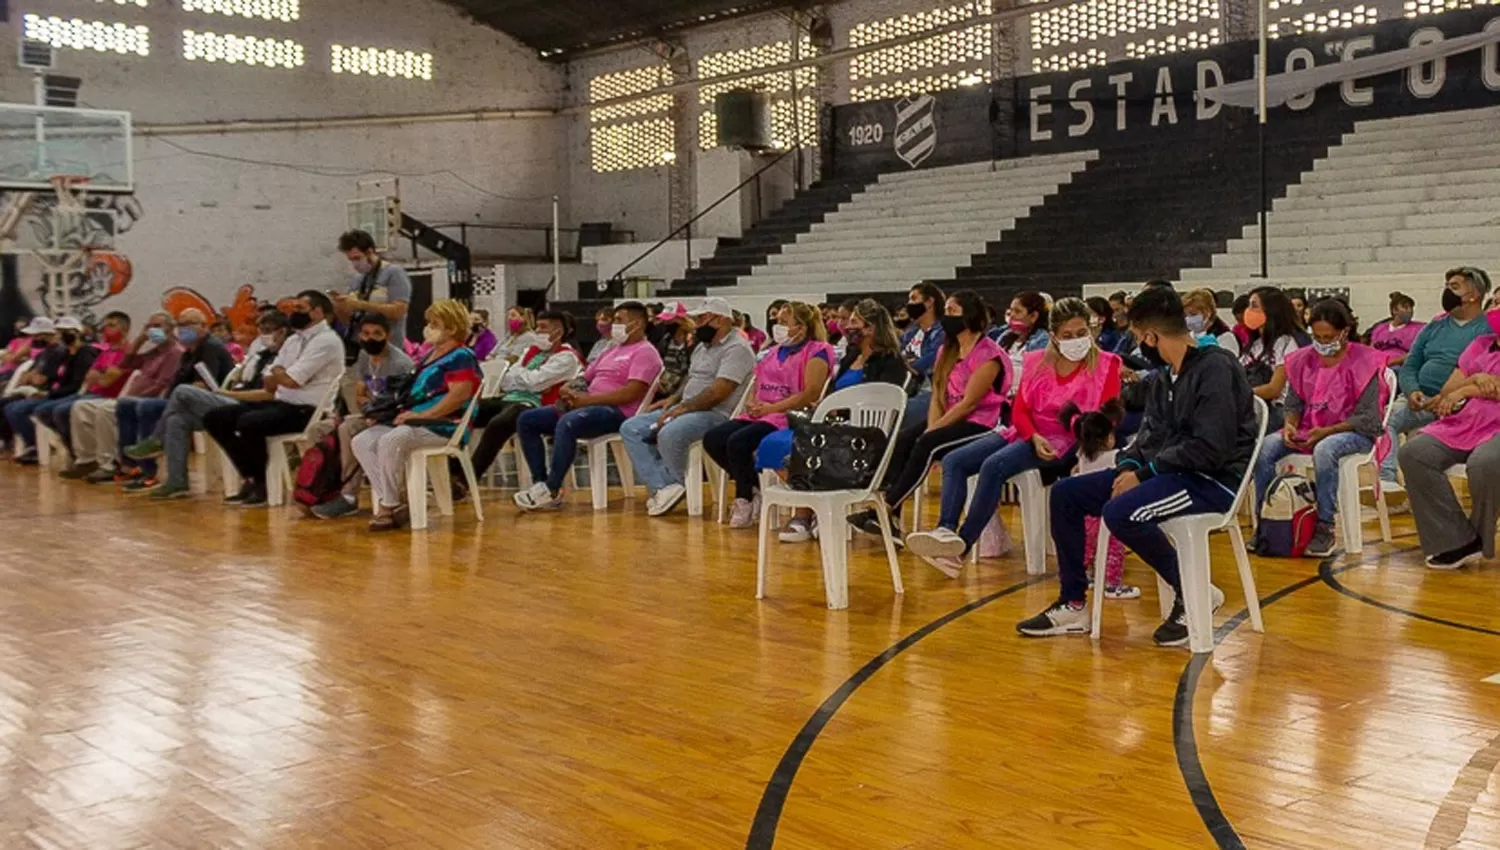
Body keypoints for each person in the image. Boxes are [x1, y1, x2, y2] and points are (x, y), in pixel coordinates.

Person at [1017, 286, 1258, 647]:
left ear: (1150, 336)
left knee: (1121, 512)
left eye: (1136, 337)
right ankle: (1074, 603)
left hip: (1213, 480)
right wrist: (1130, 466)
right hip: (1172, 472)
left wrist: (1144, 475)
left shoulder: (1216, 368)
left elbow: (1211, 448)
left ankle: (1195, 592)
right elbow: (1148, 437)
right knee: (1066, 495)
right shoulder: (1165, 376)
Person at [906, 298, 1120, 574]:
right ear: (1053, 336)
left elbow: (1106, 420)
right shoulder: (1036, 363)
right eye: (1067, 336)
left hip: (1068, 442)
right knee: (955, 461)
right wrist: (1032, 435)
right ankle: (946, 531)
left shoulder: (1106, 365)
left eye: (1081, 334)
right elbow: (1020, 410)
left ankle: (962, 546)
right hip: (1026, 433)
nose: (1076, 341)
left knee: (994, 466)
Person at [847, 290, 1009, 541]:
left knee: (927, 442)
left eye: (953, 312)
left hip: (981, 423)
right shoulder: (949, 349)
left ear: (970, 316)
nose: (947, 317)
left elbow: (968, 404)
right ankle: (892, 520)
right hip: (949, 416)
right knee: (902, 440)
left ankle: (885, 508)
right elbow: (938, 393)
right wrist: (934, 425)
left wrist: (934, 431)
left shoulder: (989, 355)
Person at [767, 299, 915, 543]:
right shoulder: (850, 356)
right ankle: (815, 513)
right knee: (779, 447)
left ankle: (806, 515)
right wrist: (826, 406)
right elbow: (834, 393)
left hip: (866, 436)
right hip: (836, 427)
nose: (846, 326)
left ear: (870, 328)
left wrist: (840, 412)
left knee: (801, 454)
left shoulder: (891, 363)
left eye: (854, 322)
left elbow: (881, 403)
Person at [1250, 299, 1388, 557]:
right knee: (1266, 447)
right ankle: (1267, 521)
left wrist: (1327, 431)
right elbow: (1293, 402)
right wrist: (1290, 424)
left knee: (1325, 449)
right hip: (1308, 428)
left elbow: (1369, 417)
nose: (1323, 343)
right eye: (1317, 337)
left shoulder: (1366, 361)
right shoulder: (1302, 360)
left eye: (1329, 337)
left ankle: (1325, 525)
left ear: (1345, 331)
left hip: (1353, 433)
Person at [121, 311, 293, 498]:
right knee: (176, 420)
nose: (184, 328)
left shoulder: (212, 347)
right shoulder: (258, 355)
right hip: (231, 400)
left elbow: (209, 385)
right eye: (181, 324)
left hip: (238, 402)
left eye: (189, 324)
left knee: (182, 392)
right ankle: (176, 482)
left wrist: (230, 393)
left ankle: (156, 441)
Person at [514, 301, 663, 511]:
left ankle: (552, 488)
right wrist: (569, 388)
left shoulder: (645, 352)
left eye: (619, 320)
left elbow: (632, 392)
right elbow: (586, 376)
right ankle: (541, 483)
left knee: (569, 422)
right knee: (527, 419)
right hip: (588, 405)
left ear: (637, 324)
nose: (614, 325)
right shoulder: (612, 349)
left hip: (619, 412)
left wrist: (587, 401)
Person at [347, 300, 480, 531]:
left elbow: (458, 396)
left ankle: (387, 506)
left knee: (392, 440)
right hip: (412, 420)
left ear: (451, 327)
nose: (428, 327)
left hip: (443, 423)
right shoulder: (429, 354)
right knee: (362, 441)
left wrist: (423, 415)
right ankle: (392, 498)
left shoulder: (461, 356)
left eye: (435, 323)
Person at [202, 291, 344, 507]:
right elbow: (270, 379)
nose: (294, 313)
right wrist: (280, 374)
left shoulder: (327, 341)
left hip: (308, 409)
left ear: (317, 312)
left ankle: (262, 484)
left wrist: (280, 374)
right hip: (281, 402)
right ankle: (250, 475)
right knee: (216, 417)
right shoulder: (294, 339)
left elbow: (293, 381)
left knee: (250, 423)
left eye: (300, 309)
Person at [620, 297, 757, 517]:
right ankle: (665, 486)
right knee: (631, 427)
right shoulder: (702, 347)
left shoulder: (737, 348)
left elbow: (718, 391)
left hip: (717, 414)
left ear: (720, 320)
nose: (697, 324)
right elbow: (689, 380)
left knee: (671, 432)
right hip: (689, 407)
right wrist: (672, 401)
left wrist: (681, 410)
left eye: (702, 318)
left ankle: (673, 483)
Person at [702, 301, 834, 528]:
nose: (777, 326)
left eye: (784, 322)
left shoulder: (818, 351)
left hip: (789, 414)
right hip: (761, 412)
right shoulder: (771, 353)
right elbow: (757, 383)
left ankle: (744, 497)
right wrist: (753, 403)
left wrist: (772, 408)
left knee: (738, 442)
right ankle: (753, 486)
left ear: (801, 327)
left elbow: (810, 392)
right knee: (713, 439)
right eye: (777, 321)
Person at [1398, 306, 1500, 568]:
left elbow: (1486, 390)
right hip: (1465, 423)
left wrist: (1468, 388)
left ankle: (1477, 537)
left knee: (1485, 463)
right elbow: (1447, 391)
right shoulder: (1480, 345)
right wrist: (1477, 379)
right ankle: (1455, 540)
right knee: (1413, 453)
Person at [445, 310, 582, 496]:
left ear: (559, 332)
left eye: (543, 328)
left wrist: (521, 377)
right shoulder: (530, 351)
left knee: (498, 424)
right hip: (509, 398)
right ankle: (454, 470)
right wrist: (523, 377)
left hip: (537, 405)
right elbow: (506, 378)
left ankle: (466, 481)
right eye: (537, 327)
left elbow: (535, 383)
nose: (537, 332)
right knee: (458, 411)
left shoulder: (567, 357)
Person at [1381, 268, 1493, 488]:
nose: (1446, 292)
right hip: (1421, 400)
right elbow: (1411, 364)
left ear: (1473, 295)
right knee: (1386, 421)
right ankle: (1387, 481)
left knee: (1419, 448)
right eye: (1446, 286)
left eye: (1454, 287)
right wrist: (1412, 391)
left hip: (1462, 405)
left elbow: (1486, 373)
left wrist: (1447, 397)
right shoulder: (1435, 325)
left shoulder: (1488, 329)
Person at [306, 313, 419, 517]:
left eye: (377, 334)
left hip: (393, 420)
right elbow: (360, 393)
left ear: (388, 335)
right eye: (366, 333)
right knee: (319, 429)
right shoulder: (365, 356)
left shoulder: (400, 364)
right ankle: (323, 489)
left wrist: (370, 409)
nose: (370, 339)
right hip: (372, 414)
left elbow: (398, 403)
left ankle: (349, 497)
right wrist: (362, 408)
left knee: (348, 429)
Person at [71, 313, 186, 484]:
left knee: (106, 410)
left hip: (148, 401)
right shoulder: (154, 352)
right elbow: (125, 364)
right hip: (129, 399)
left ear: (170, 329)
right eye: (149, 326)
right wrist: (140, 339)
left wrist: (134, 397)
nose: (153, 330)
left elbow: (162, 385)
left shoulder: (174, 352)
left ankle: (111, 464)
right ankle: (87, 459)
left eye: (158, 326)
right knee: (80, 407)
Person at [34, 312, 133, 469]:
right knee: (45, 411)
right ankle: (81, 454)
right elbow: (90, 376)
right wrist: (102, 375)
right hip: (90, 393)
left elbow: (106, 381)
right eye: (105, 325)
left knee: (61, 411)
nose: (106, 329)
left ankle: (86, 456)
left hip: (108, 396)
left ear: (125, 328)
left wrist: (101, 376)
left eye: (112, 325)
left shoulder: (128, 352)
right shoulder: (106, 351)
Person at [5, 317, 100, 463]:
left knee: (39, 410)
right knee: (12, 406)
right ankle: (53, 445)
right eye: (59, 332)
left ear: (76, 333)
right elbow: (53, 378)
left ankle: (75, 450)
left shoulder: (84, 353)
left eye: (65, 332)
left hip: (68, 394)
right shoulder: (66, 354)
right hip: (54, 392)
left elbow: (75, 384)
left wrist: (48, 392)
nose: (61, 335)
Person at [335, 229, 412, 362]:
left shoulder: (394, 273)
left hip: (389, 349)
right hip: (362, 349)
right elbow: (348, 320)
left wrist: (361, 305)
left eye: (357, 258)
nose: (355, 264)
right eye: (350, 260)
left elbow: (399, 311)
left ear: (370, 252)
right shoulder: (357, 279)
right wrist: (341, 306)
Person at [1240, 286, 1306, 432]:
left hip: (1276, 410)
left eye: (1254, 306)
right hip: (1252, 408)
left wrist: (1240, 394)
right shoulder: (1253, 346)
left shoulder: (1287, 343)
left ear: (1271, 310)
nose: (1248, 310)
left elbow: (1274, 389)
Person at [0, 317, 64, 451]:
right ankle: (7, 440)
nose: (33, 338)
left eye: (36, 335)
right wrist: (32, 377)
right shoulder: (43, 353)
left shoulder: (59, 352)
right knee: (3, 403)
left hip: (46, 392)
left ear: (46, 334)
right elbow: (25, 377)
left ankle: (35, 444)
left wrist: (33, 377)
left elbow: (42, 379)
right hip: (31, 390)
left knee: (15, 409)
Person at [900, 282, 947, 425]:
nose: (910, 304)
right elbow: (898, 356)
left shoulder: (941, 331)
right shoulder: (911, 332)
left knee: (901, 414)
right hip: (904, 384)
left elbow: (930, 361)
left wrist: (909, 364)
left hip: (927, 388)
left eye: (914, 299)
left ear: (929, 302)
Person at [997, 291, 1051, 387]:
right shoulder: (1004, 336)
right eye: (1011, 310)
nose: (1012, 315)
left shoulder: (1042, 339)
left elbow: (1036, 377)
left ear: (1033, 316)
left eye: (1017, 311)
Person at [1367, 292, 1424, 367]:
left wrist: (1392, 362)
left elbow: (1416, 354)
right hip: (1378, 365)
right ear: (1394, 310)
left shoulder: (1419, 329)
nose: (1410, 310)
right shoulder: (1380, 328)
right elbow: (1371, 350)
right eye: (1406, 307)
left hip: (1400, 366)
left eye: (1411, 308)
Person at [652, 306, 695, 402]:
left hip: (683, 389)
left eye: (669, 321)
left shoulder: (692, 342)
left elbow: (690, 372)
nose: (665, 324)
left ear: (681, 321)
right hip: (664, 385)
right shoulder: (666, 340)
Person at [1182, 288, 1239, 355]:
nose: (1188, 318)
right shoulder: (1188, 336)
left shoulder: (1225, 337)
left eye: (1193, 314)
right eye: (1186, 315)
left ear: (1207, 313)